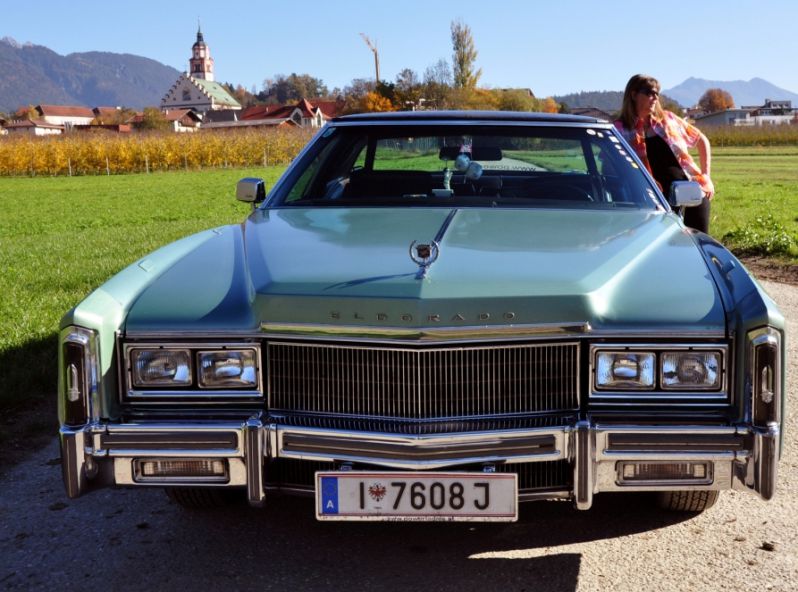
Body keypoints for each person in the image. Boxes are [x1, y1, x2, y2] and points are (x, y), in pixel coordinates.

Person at [615, 74, 715, 233]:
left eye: (657, 93)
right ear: (633, 95)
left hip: (691, 194)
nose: (654, 97)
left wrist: (706, 175)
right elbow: (611, 167)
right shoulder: (619, 130)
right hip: (651, 203)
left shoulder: (669, 119)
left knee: (696, 247)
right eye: (649, 92)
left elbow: (701, 140)